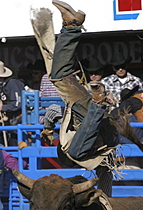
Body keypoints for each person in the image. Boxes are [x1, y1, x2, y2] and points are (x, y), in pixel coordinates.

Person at [33, 1, 119, 196]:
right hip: (94, 114)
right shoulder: (80, 151)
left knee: (60, 74)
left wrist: (105, 198)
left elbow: (55, 109)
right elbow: (54, 109)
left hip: (94, 113)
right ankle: (72, 26)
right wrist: (47, 128)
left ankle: (71, 26)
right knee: (59, 76)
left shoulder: (96, 157)